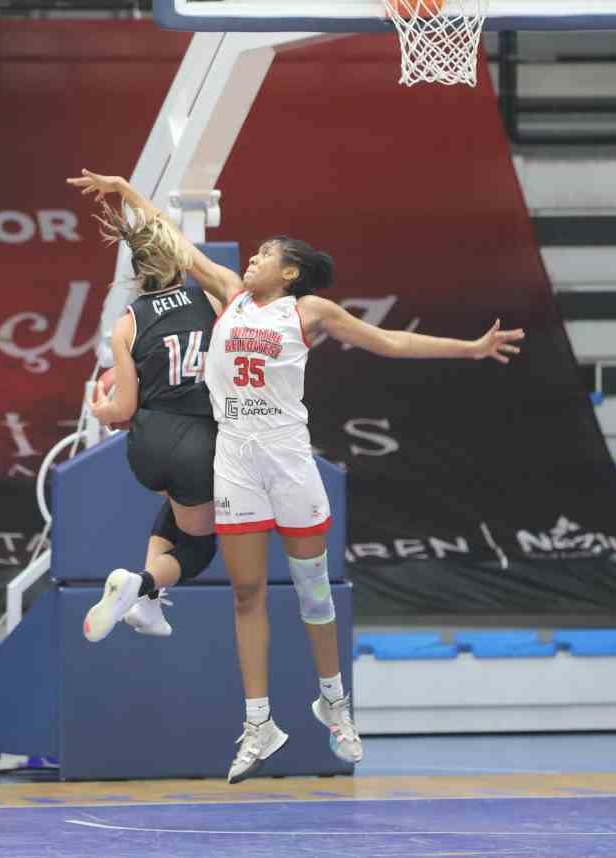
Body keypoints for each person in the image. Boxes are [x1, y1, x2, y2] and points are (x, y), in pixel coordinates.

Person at [69, 170, 524, 784]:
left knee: (313, 592)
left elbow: (388, 342)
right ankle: (258, 722)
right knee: (246, 594)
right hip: (233, 460)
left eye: (264, 254)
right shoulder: (226, 293)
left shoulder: (308, 311)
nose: (250, 257)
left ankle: (333, 702)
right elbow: (171, 240)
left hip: (288, 459)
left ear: (287, 273)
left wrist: (468, 349)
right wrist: (126, 192)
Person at [82, 198, 223, 642]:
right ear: (180, 259)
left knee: (179, 506)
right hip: (198, 438)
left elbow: (123, 410)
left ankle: (146, 605)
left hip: (147, 445)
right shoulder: (215, 299)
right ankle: (140, 585)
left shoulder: (127, 324)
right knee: (199, 549)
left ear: (136, 270)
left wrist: (102, 411)